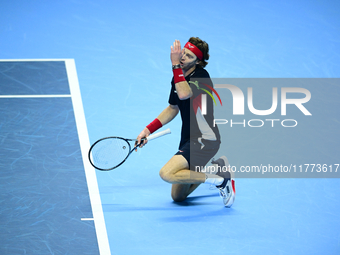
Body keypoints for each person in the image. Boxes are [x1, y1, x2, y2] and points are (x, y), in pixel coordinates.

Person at [136, 37, 235, 207]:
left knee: (166, 173)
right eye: (183, 53)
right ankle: (215, 170)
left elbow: (184, 94)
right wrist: (148, 129)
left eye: (189, 56)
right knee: (178, 197)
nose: (182, 58)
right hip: (188, 139)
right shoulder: (178, 77)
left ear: (198, 61)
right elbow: (173, 107)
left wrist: (175, 65)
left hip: (205, 140)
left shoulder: (202, 76)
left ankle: (221, 181)